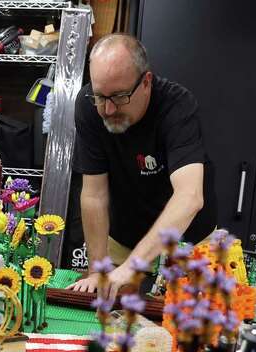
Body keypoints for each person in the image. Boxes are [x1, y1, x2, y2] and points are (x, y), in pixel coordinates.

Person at [70, 34, 217, 297]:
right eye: (100, 96)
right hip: (124, 240)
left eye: (120, 96)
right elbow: (94, 194)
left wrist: (133, 266)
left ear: (146, 82)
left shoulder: (177, 106)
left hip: (187, 242)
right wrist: (97, 270)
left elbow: (190, 196)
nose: (109, 109)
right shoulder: (89, 105)